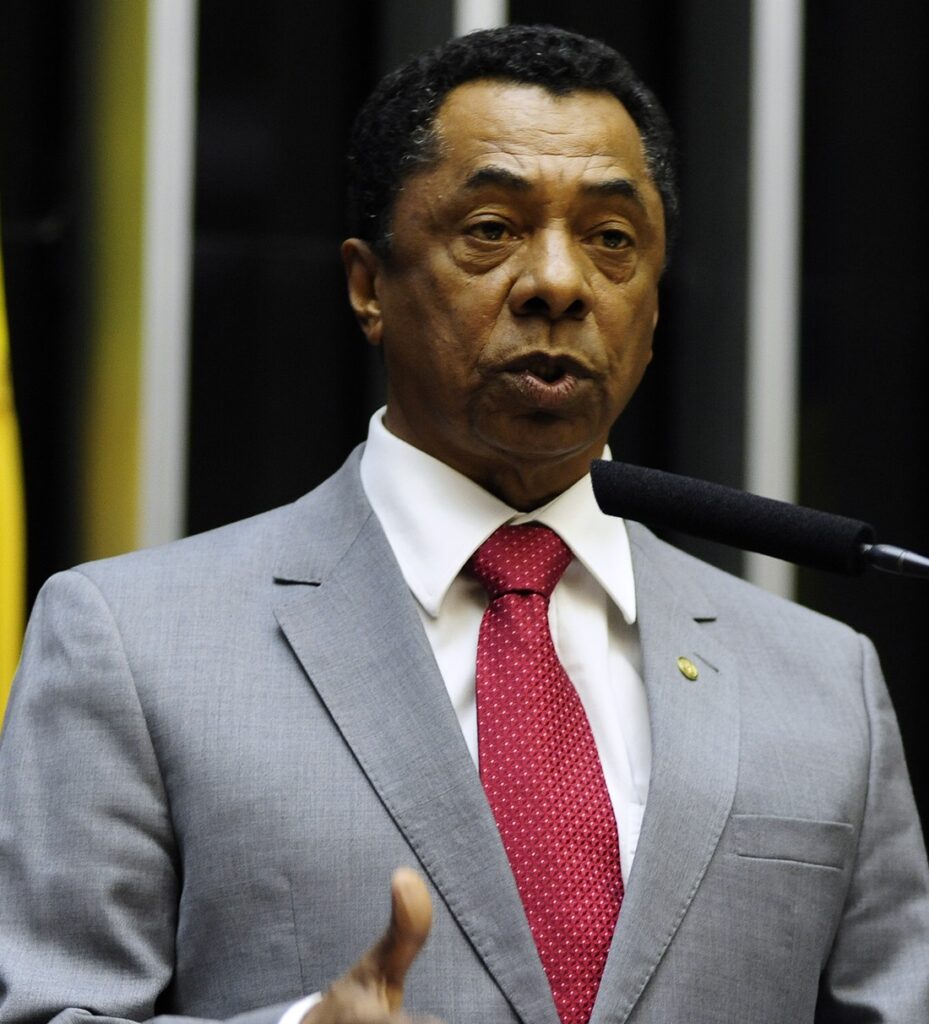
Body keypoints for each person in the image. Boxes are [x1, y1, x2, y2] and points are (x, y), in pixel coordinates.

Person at [1, 23, 927, 1024]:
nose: (559, 283)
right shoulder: (132, 644)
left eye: (611, 240)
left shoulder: (823, 680)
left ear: (654, 308)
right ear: (368, 286)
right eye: (491, 228)